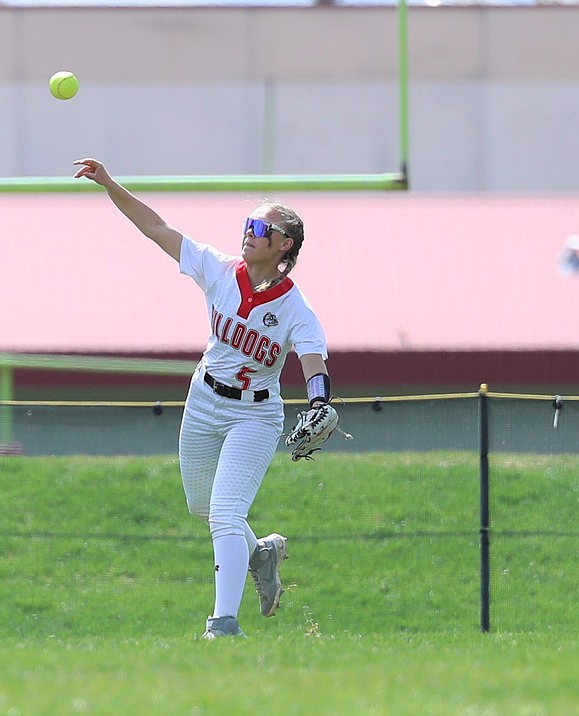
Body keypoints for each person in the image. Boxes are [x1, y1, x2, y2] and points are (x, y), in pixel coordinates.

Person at [73, 158, 335, 639]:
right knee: (202, 506)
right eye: (249, 224)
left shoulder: (295, 308)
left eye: (262, 227)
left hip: (254, 414)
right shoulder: (217, 269)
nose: (249, 232)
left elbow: (314, 361)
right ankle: (261, 554)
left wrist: (320, 402)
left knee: (226, 514)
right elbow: (155, 227)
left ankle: (223, 624)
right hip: (203, 400)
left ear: (284, 245)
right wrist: (109, 183)